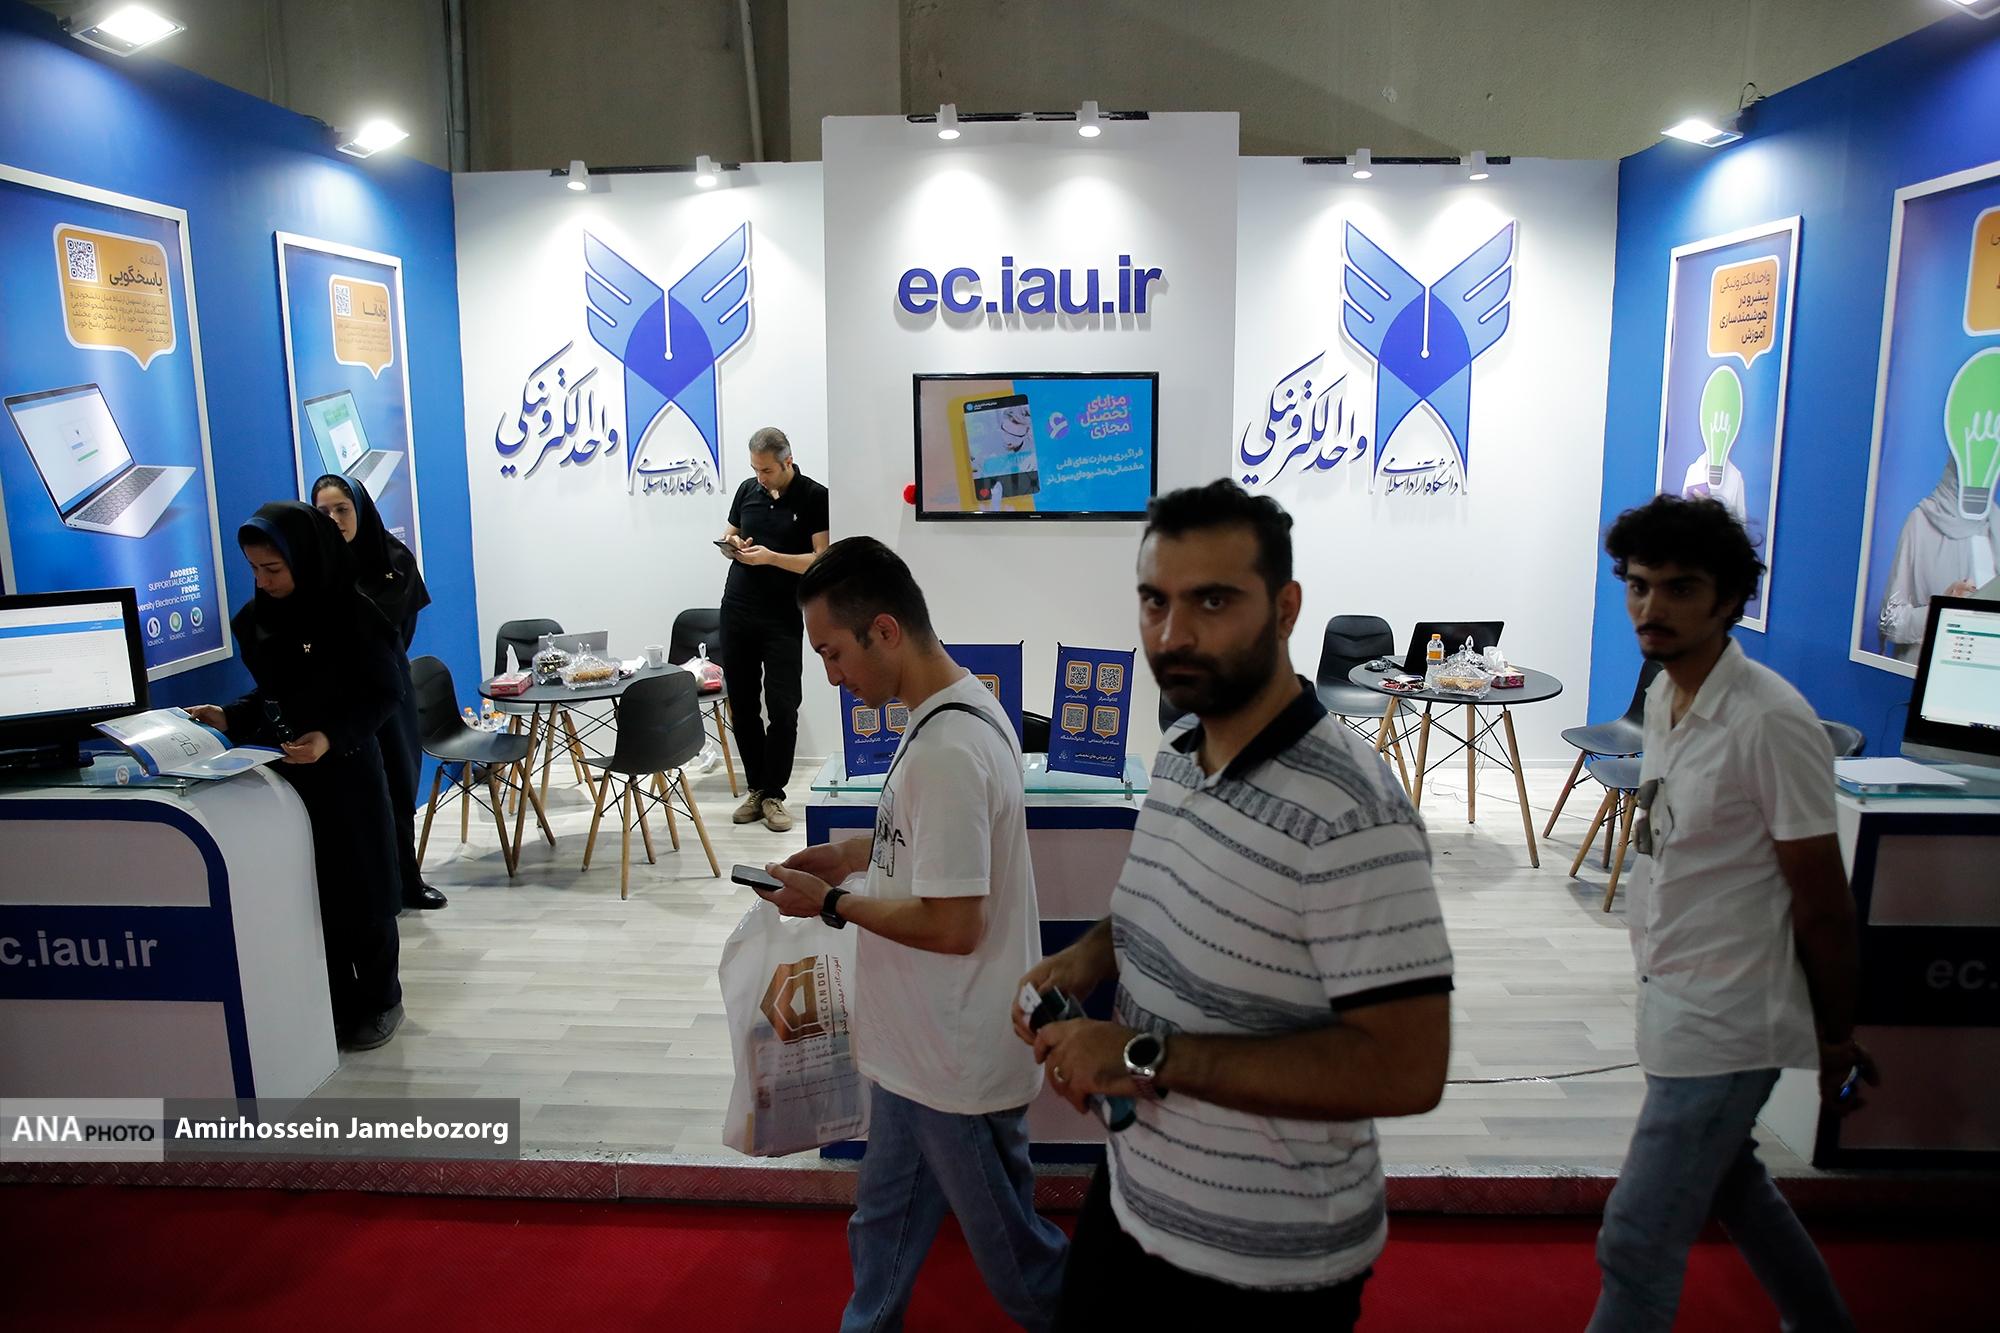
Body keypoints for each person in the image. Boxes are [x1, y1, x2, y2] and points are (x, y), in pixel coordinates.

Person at [1020, 479, 1452, 1329]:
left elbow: (1405, 1069)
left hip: (1267, 1263)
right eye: (1156, 601)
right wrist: (1088, 955)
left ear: (1286, 608)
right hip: (1134, 1196)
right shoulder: (1180, 750)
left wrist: (1141, 1054)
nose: (1173, 634)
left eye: (1212, 601)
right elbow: (1160, 905)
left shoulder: (1353, 815)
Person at [754, 536, 1067, 1333]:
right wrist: (855, 853)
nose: (832, 676)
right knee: (883, 1222)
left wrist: (832, 902)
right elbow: (935, 846)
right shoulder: (951, 713)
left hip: (952, 1061)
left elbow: (955, 923)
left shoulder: (949, 748)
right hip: (917, 1049)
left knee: (1022, 1266)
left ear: (885, 630)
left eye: (833, 652)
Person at [1591, 494, 1875, 1331]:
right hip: (1672, 994)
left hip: (1730, 1017)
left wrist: (1835, 1040)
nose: (1652, 606)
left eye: (1680, 588)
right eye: (1639, 585)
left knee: (1638, 1234)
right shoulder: (1667, 698)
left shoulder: (1771, 721)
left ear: (1728, 601)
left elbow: (1824, 903)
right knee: (1731, 1183)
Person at [188, 502, 409, 1051]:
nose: (263, 581)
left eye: (274, 569)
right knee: (310, 891)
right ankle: (334, 1002)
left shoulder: (355, 616)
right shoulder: (256, 620)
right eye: (254, 569)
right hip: (286, 776)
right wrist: (231, 717)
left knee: (364, 888)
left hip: (348, 772)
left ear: (306, 559)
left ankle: (382, 1000)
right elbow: (274, 694)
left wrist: (330, 737)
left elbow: (384, 694)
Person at [312, 473, 444, 912]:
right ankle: (368, 889)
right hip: (336, 698)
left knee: (398, 785)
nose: (333, 519)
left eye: (342, 509)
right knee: (355, 795)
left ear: (361, 510)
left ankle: (408, 880)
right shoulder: (313, 564)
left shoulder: (393, 559)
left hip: (386, 690)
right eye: (323, 511)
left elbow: (398, 629)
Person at [718, 427, 830, 832]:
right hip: (737, 609)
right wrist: (733, 545)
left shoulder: (814, 496)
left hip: (782, 615)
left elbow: (821, 558)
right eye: (755, 469)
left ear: (787, 461)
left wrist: (771, 557)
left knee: (783, 707)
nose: (760, 477)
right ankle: (757, 790)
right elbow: (730, 532)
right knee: (742, 705)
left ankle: (774, 795)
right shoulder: (747, 490)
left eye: (766, 470)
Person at [1878, 456, 2000, 661]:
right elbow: (1889, 622)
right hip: (1926, 667)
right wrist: (1941, 609)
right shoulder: (1921, 522)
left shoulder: (1995, 524)